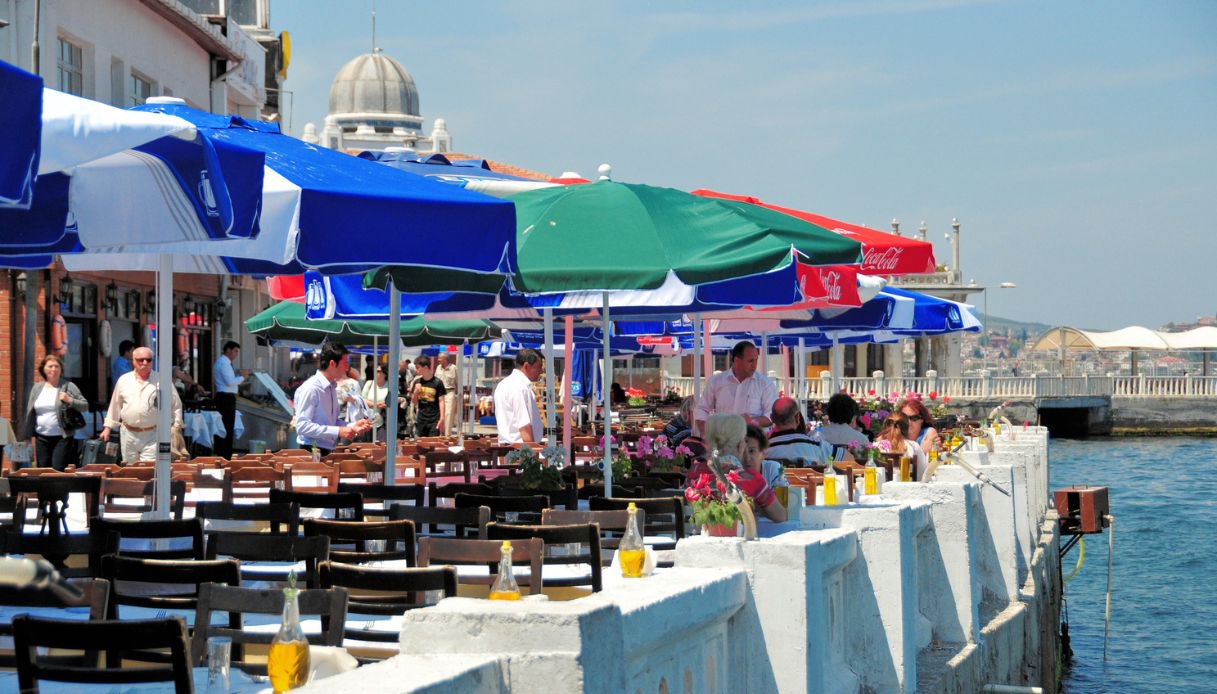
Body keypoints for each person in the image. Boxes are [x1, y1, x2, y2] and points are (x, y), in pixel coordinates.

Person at [100, 346, 184, 464]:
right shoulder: (124, 380)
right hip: (128, 433)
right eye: (141, 360)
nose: (145, 363)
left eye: (148, 360)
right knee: (129, 469)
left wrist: (176, 425)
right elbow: (115, 405)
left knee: (148, 469)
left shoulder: (162, 380)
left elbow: (176, 404)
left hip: (153, 434)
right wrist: (107, 428)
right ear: (133, 361)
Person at [702, 413, 786, 522]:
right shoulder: (749, 477)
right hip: (739, 536)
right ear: (741, 445)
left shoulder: (697, 469)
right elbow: (780, 516)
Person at [294, 344, 372, 456]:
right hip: (310, 451)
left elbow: (333, 422)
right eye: (345, 363)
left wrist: (352, 426)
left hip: (325, 450)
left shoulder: (331, 387)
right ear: (332, 364)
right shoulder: (311, 388)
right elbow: (302, 426)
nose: (347, 367)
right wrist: (339, 431)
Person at [20, 355, 88, 470]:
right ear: (44, 369)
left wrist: (69, 400)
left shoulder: (68, 386)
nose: (53, 369)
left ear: (61, 370)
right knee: (43, 469)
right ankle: (44, 489)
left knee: (58, 468)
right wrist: (26, 436)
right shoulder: (37, 388)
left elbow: (84, 406)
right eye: (50, 366)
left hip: (62, 437)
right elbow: (30, 413)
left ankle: (60, 488)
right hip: (41, 437)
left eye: (57, 366)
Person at [694, 340, 778, 434]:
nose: (754, 365)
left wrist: (752, 421)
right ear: (737, 360)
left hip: (753, 443)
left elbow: (772, 416)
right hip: (723, 442)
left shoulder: (765, 384)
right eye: (750, 361)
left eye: (756, 360)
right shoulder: (716, 381)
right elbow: (701, 409)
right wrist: (705, 432)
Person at [493, 348, 543, 444]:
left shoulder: (503, 384)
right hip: (521, 450)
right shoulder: (520, 388)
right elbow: (524, 425)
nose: (541, 371)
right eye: (539, 367)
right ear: (526, 366)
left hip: (506, 448)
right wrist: (532, 453)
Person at [766, 396, 831, 466]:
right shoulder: (819, 447)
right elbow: (843, 458)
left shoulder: (762, 451)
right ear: (797, 417)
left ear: (771, 418)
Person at [212, 340, 249, 458]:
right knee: (226, 426)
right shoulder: (224, 362)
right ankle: (225, 454)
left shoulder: (225, 363)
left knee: (227, 426)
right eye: (235, 351)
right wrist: (243, 377)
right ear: (228, 350)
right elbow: (230, 382)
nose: (236, 354)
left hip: (226, 397)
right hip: (225, 398)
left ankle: (225, 453)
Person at [878, 413, 928, 480]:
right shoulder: (913, 446)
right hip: (908, 489)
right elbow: (922, 474)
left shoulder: (877, 446)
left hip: (881, 489)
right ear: (907, 428)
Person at [409, 355, 447, 437]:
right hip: (421, 417)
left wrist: (442, 417)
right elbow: (414, 402)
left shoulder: (437, 382)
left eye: (418, 367)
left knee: (432, 442)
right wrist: (416, 392)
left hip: (434, 418)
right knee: (421, 442)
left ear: (425, 367)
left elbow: (441, 401)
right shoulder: (417, 382)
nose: (416, 370)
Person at [744, 423, 790, 491]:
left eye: (751, 451)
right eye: (742, 452)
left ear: (763, 453)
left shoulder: (774, 469)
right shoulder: (732, 473)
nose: (747, 458)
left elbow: (783, 499)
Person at [362, 365, 392, 441]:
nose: (375, 373)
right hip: (367, 421)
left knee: (382, 445)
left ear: (385, 373)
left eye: (378, 371)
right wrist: (376, 405)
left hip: (383, 422)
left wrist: (386, 404)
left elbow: (393, 400)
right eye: (375, 370)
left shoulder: (390, 385)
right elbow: (362, 400)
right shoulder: (369, 383)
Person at [436, 352, 459, 436]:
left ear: (445, 359)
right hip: (439, 393)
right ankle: (439, 433)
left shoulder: (454, 368)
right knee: (439, 413)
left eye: (440, 358)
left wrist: (459, 394)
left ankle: (447, 435)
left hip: (450, 391)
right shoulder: (438, 368)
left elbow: (458, 382)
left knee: (448, 414)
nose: (438, 360)